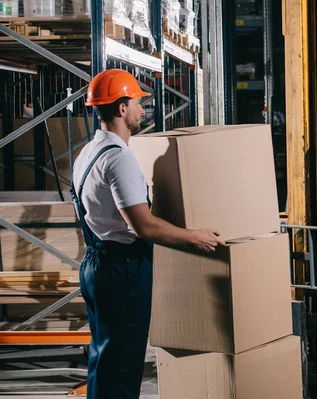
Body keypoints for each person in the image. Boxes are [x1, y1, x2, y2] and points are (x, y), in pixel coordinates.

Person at [71, 69, 225, 398]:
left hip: (96, 263)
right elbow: (143, 225)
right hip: (121, 270)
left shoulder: (88, 153)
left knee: (104, 360)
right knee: (123, 364)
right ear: (120, 108)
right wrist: (195, 236)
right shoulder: (119, 159)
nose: (143, 108)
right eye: (137, 102)